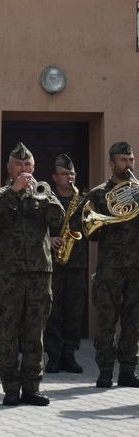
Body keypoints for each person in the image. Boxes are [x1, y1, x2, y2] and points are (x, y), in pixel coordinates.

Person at [0, 142, 64, 405]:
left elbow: (58, 219)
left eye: (28, 165)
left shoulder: (43, 192)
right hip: (9, 275)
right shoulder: (0, 194)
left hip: (39, 273)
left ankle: (32, 387)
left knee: (34, 334)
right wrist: (13, 192)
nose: (24, 169)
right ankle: (11, 389)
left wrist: (46, 196)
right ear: (9, 167)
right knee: (8, 334)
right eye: (19, 164)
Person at [82, 141, 139, 388]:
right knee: (106, 322)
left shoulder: (138, 192)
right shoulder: (98, 194)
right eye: (123, 160)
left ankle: (128, 371)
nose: (127, 165)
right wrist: (106, 221)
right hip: (109, 270)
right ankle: (105, 371)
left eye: (131, 160)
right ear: (111, 163)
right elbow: (89, 232)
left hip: (135, 268)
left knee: (133, 322)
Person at [45, 154, 86, 374]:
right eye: (64, 173)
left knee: (74, 311)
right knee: (53, 311)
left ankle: (69, 354)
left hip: (77, 263)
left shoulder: (83, 201)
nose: (69, 177)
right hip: (53, 264)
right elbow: (36, 228)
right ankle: (53, 355)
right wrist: (48, 239)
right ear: (54, 177)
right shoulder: (46, 199)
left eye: (71, 173)